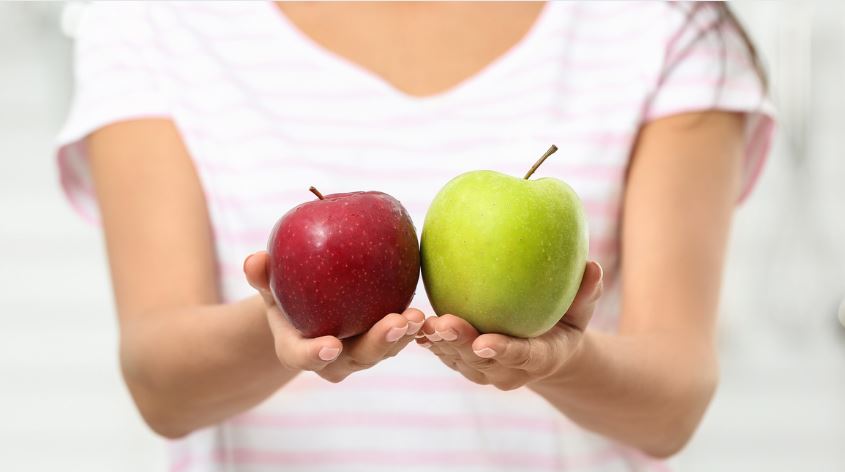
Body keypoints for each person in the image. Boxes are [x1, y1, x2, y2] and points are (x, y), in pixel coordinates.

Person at [56, 2, 774, 471]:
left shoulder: (665, 26)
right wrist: (287, 327)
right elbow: (160, 388)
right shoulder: (156, 19)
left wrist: (557, 363)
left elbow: (671, 405)